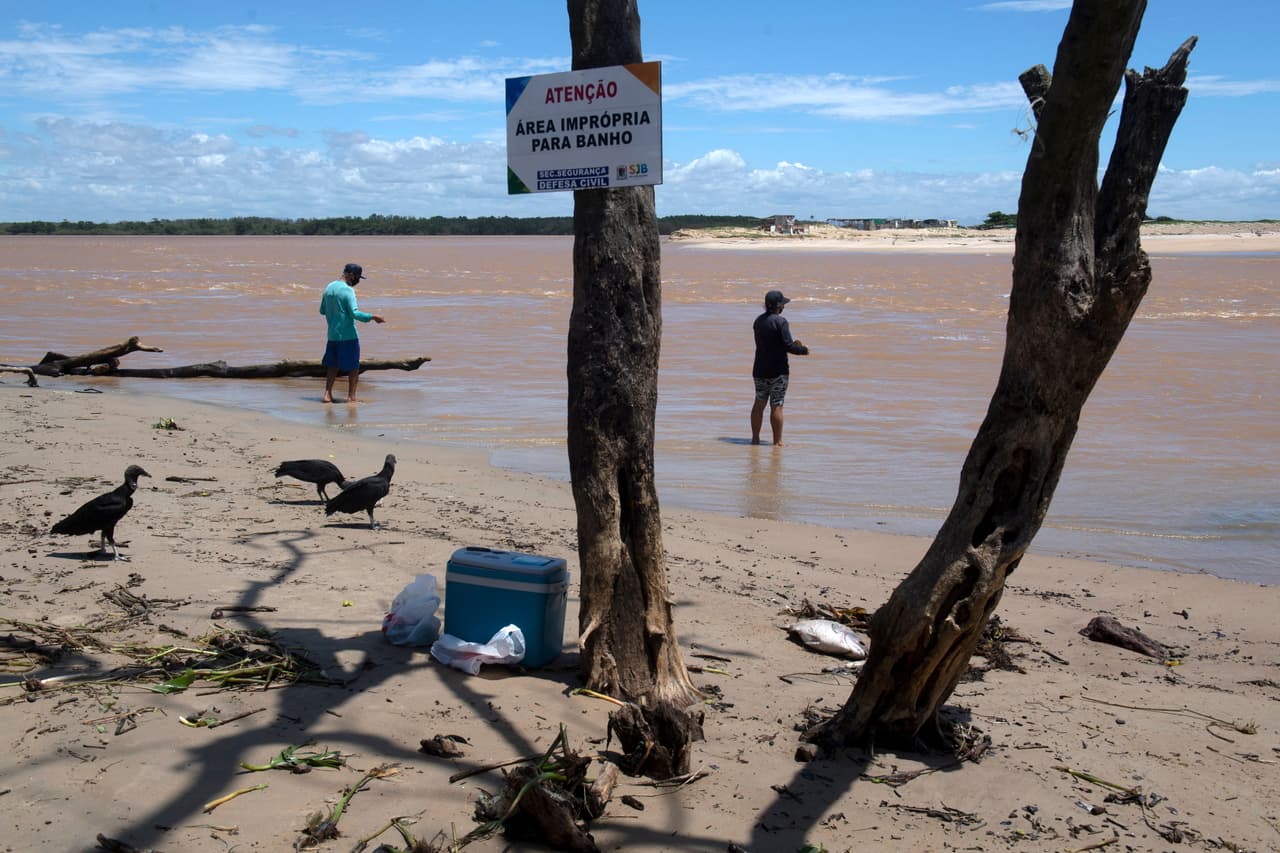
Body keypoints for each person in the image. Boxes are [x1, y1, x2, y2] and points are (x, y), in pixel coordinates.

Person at [320, 262, 385, 404]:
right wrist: (373, 317)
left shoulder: (329, 287)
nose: (357, 280)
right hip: (348, 335)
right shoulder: (348, 290)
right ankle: (351, 397)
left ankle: (327, 394)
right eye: (357, 277)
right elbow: (354, 313)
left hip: (332, 335)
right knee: (354, 367)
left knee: (333, 365)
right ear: (350, 274)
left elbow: (322, 310)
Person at [751, 289, 809, 446]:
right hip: (778, 372)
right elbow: (788, 346)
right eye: (782, 304)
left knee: (759, 403)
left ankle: (755, 439)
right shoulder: (781, 322)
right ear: (778, 306)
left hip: (759, 370)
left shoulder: (758, 321)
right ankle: (777, 442)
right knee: (777, 405)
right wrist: (803, 350)